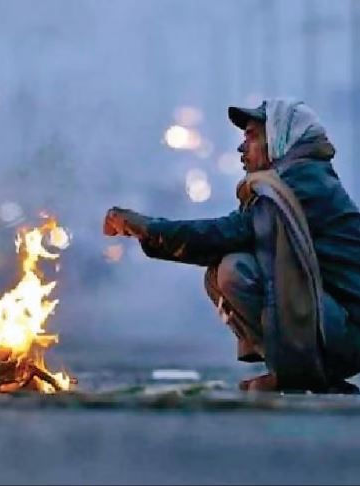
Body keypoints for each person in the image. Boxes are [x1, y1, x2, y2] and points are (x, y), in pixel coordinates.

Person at [104, 99, 360, 393]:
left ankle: (298, 374)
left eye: (251, 136)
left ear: (280, 138)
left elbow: (228, 233)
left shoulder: (301, 183)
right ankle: (303, 373)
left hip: (347, 330)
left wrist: (148, 228)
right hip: (337, 323)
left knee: (235, 270)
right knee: (226, 269)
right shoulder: (293, 179)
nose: (241, 147)